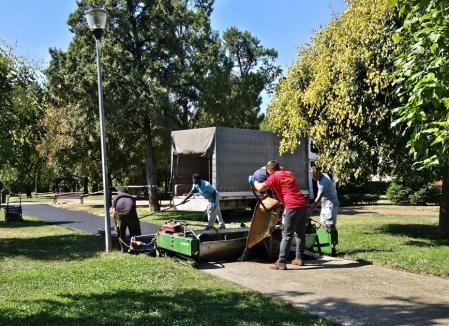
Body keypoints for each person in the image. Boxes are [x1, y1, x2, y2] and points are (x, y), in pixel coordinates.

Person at [249, 160, 308, 270]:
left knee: (287, 234)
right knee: (300, 233)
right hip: (302, 205)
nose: (267, 174)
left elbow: (261, 188)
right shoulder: (289, 173)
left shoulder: (274, 177)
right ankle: (299, 259)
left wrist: (254, 181)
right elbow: (280, 172)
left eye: (268, 172)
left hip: (291, 206)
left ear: (271, 170)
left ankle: (281, 261)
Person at [310, 166, 339, 253]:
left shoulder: (323, 182)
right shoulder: (323, 176)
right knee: (323, 224)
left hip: (330, 205)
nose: (313, 178)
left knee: (330, 225)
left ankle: (333, 247)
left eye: (314, 176)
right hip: (325, 205)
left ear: (318, 173)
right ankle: (326, 245)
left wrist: (311, 210)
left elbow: (318, 198)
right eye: (312, 176)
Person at [111, 187, 141, 253]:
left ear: (119, 192)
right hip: (131, 215)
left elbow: (113, 212)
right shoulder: (131, 197)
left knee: (121, 233)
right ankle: (133, 248)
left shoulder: (115, 198)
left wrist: (116, 224)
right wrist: (135, 221)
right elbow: (134, 211)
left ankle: (122, 249)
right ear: (127, 192)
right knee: (133, 232)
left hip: (119, 215)